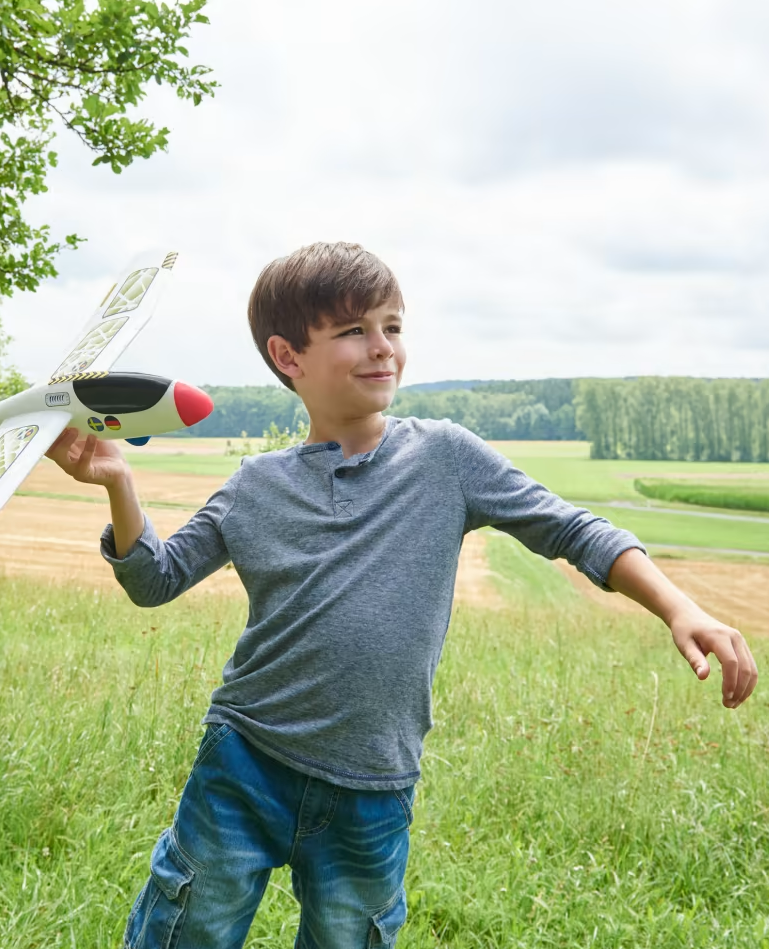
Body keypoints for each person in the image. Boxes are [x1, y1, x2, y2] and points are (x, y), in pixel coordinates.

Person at [46, 241, 759, 949]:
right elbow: (156, 579)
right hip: (244, 761)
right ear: (288, 356)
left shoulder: (445, 457)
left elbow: (573, 529)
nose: (383, 347)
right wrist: (119, 483)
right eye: (354, 330)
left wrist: (678, 606)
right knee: (186, 931)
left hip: (373, 784)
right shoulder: (254, 485)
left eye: (392, 326)